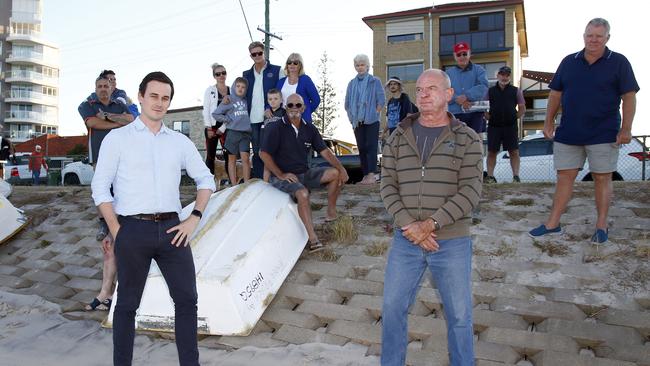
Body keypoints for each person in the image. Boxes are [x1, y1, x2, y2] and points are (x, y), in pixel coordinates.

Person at [91, 71, 215, 366]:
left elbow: (206, 180)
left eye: (165, 98)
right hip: (131, 229)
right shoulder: (117, 139)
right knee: (127, 305)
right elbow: (99, 187)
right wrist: (117, 230)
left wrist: (194, 217)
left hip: (174, 230)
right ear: (141, 97)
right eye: (154, 96)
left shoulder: (179, 142)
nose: (160, 103)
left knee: (187, 301)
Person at [380, 69, 483, 366]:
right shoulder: (398, 137)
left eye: (432, 88)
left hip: (450, 241)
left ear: (448, 95)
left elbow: (471, 192)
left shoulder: (468, 139)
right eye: (420, 89)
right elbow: (387, 186)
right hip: (406, 239)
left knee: (460, 315)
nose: (423, 94)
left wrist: (430, 225)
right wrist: (410, 225)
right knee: (392, 308)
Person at [529, 18, 639, 244]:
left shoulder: (619, 62)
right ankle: (553, 224)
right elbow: (555, 94)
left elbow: (629, 96)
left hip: (604, 132)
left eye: (599, 36)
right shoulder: (569, 62)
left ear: (607, 38)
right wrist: (548, 122)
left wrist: (626, 128)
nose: (593, 40)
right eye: (590, 35)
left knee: (602, 178)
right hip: (569, 132)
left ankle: (601, 225)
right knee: (564, 177)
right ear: (584, 36)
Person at [260, 93, 349, 253]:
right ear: (285, 107)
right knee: (302, 193)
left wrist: (342, 169)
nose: (294, 108)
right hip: (282, 177)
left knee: (335, 174)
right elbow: (263, 154)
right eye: (290, 105)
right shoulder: (275, 127)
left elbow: (325, 152)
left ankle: (331, 212)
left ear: (304, 108)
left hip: (303, 173)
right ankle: (312, 238)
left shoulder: (309, 128)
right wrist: (280, 174)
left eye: (298, 105)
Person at [78, 74, 134, 311]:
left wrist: (110, 116)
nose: (103, 89)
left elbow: (131, 119)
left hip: (124, 173)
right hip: (102, 161)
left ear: (112, 87)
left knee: (119, 243)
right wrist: (115, 123)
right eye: (100, 86)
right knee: (111, 242)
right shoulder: (87, 104)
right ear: (95, 88)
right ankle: (105, 294)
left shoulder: (120, 103)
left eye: (107, 85)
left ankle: (111, 294)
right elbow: (93, 124)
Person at [344, 54, 385, 185]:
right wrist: (352, 118)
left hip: (372, 120)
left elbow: (381, 99)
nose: (360, 67)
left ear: (367, 66)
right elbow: (347, 103)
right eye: (357, 65)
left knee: (371, 146)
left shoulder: (375, 81)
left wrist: (374, 112)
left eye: (362, 65)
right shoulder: (351, 84)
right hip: (357, 121)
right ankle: (366, 175)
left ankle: (372, 174)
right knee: (361, 147)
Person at [243, 41, 281, 179]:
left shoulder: (277, 70)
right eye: (254, 54)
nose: (257, 56)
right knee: (258, 151)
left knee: (272, 150)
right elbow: (241, 94)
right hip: (253, 119)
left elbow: (280, 93)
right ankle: (260, 181)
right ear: (251, 56)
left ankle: (275, 179)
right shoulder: (246, 74)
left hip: (271, 117)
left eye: (260, 53)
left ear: (264, 52)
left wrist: (269, 107)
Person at [484, 65, 526, 183]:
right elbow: (484, 108)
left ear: (509, 77)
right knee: (492, 151)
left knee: (514, 152)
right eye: (502, 74)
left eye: (507, 75)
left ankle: (516, 177)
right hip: (494, 127)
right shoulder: (490, 91)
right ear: (498, 76)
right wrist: (488, 117)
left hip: (510, 127)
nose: (504, 77)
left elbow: (522, 109)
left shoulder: (516, 91)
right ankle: (491, 177)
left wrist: (513, 118)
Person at [212, 77, 252, 185]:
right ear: (234, 87)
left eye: (243, 87)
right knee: (232, 160)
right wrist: (227, 119)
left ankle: (247, 183)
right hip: (232, 133)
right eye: (238, 86)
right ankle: (233, 184)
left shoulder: (247, 100)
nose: (240, 89)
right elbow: (215, 114)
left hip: (245, 133)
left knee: (245, 159)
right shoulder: (229, 99)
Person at [446, 42, 489, 134]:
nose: (462, 57)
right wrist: (458, 99)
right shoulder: (448, 74)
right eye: (458, 54)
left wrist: (466, 96)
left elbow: (484, 87)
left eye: (464, 53)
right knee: (457, 143)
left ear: (469, 54)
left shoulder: (479, 70)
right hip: (456, 114)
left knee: (475, 142)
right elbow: (444, 92)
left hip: (476, 113)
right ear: (454, 56)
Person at [202, 63, 231, 177]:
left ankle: (231, 182)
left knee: (229, 155)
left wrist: (223, 128)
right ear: (214, 76)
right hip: (212, 127)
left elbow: (232, 112)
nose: (221, 76)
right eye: (218, 74)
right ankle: (208, 185)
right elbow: (206, 109)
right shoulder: (210, 90)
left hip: (226, 127)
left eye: (223, 73)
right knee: (210, 156)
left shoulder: (231, 90)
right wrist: (209, 128)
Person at [276, 53, 320, 123]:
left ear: (300, 65)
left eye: (295, 63)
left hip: (301, 120)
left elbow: (316, 100)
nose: (292, 65)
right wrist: (268, 108)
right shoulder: (281, 81)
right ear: (287, 65)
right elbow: (275, 98)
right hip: (284, 119)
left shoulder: (305, 80)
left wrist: (306, 112)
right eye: (289, 62)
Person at [261, 88, 286, 182]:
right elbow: (263, 130)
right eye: (270, 99)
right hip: (268, 145)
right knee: (267, 165)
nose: (273, 101)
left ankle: (283, 185)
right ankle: (265, 186)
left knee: (280, 165)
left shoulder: (284, 113)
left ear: (281, 100)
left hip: (280, 145)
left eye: (275, 98)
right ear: (267, 101)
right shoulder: (266, 115)